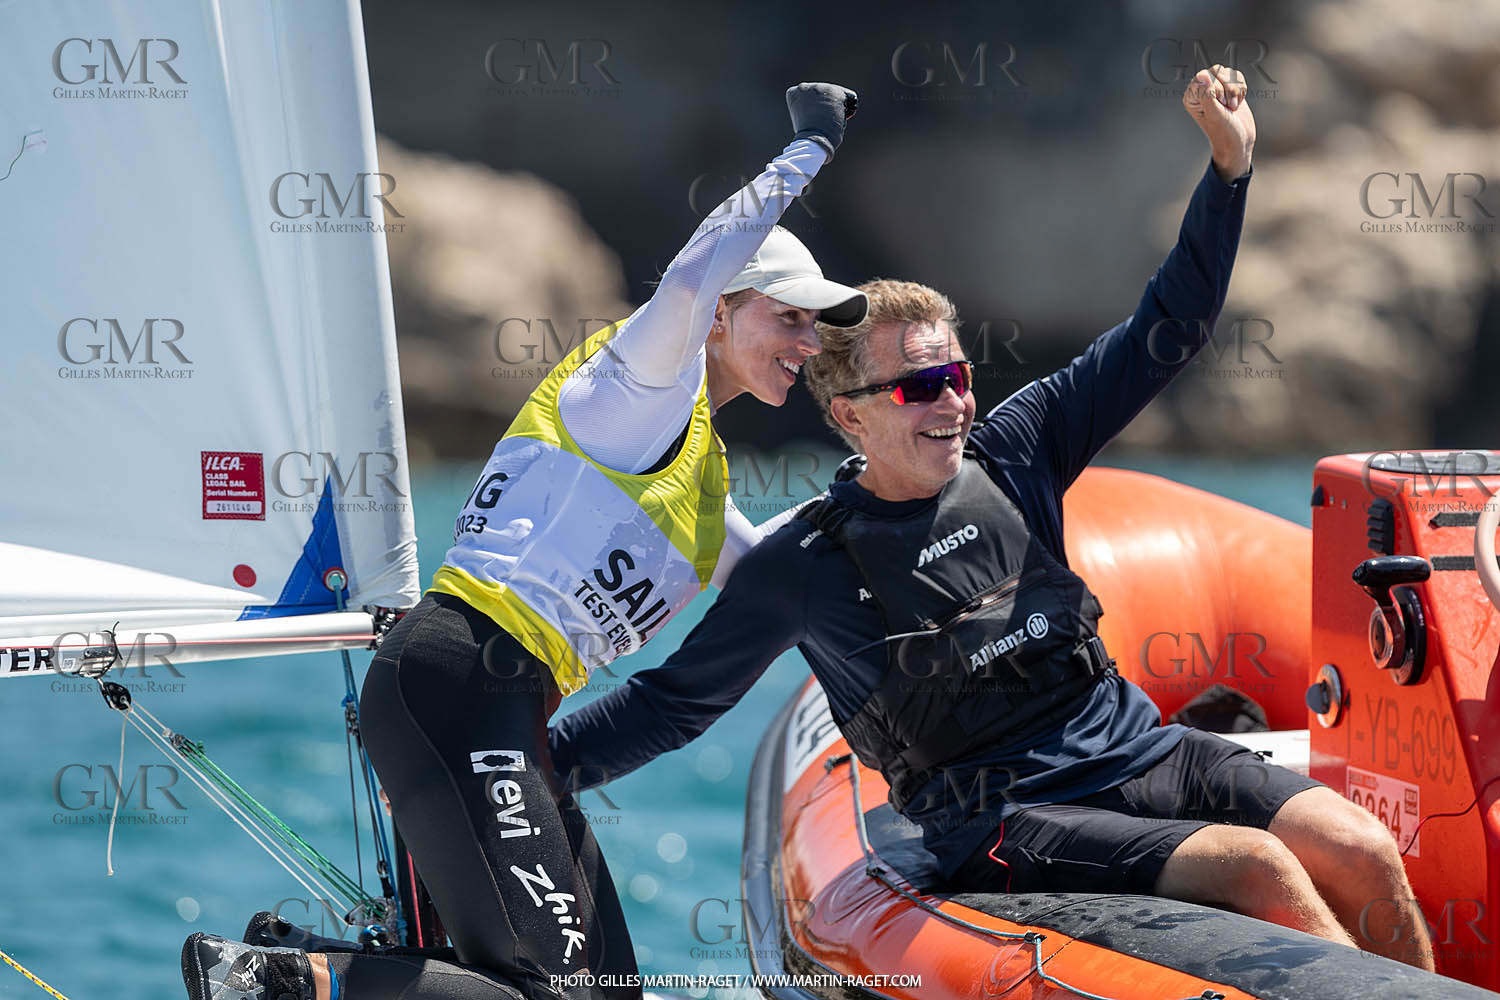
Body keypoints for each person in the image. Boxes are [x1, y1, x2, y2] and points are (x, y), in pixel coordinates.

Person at [544, 66, 1437, 971]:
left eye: (957, 376)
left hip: (1140, 750)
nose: (952, 403)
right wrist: (520, 763)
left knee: (1359, 845)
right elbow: (671, 703)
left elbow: (1170, 327)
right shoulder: (804, 566)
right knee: (1256, 866)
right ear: (849, 414)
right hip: (1002, 819)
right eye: (918, 387)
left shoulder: (1017, 451)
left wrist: (1229, 170)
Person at [181, 83, 867, 1000]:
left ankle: (317, 968)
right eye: (789, 316)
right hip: (456, 685)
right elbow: (696, 269)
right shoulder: (639, 387)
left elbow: (780, 581)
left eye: (816, 326)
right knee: (553, 993)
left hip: (509, 722)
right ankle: (282, 980)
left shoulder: (698, 471)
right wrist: (808, 148)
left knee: (606, 994)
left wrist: (887, 499)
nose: (809, 342)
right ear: (718, 313)